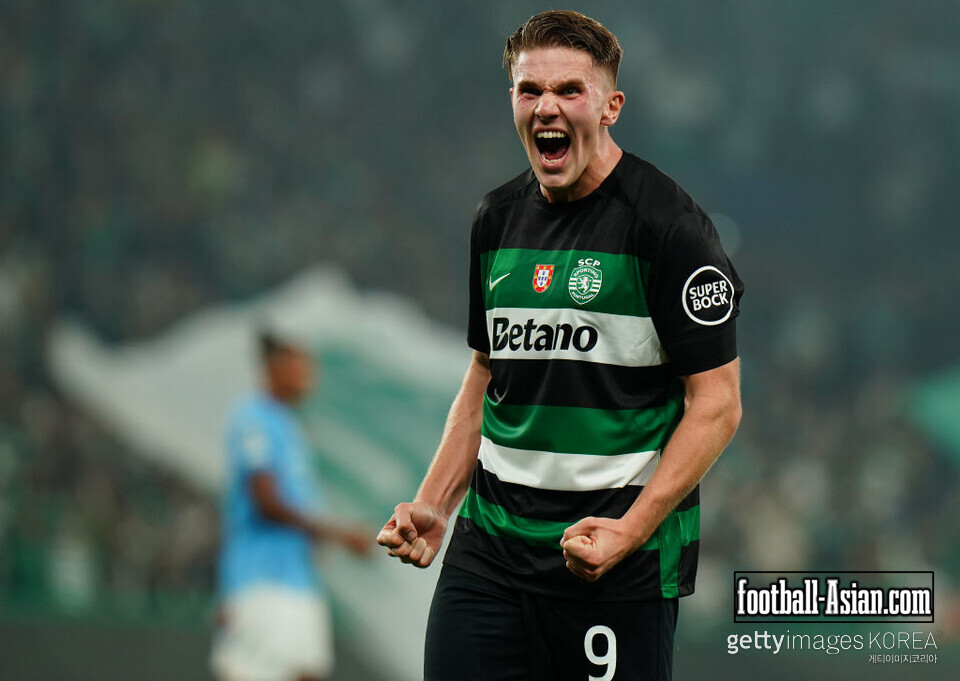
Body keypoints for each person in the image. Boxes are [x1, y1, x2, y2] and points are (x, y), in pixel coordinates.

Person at [377, 10, 743, 681]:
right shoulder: (495, 220)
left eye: (570, 89)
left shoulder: (670, 230)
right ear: (513, 101)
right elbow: (485, 379)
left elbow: (717, 404)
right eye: (530, 90)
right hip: (487, 557)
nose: (547, 105)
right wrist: (435, 501)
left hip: (611, 567)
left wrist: (629, 532)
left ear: (611, 106)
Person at [212, 331, 371, 681]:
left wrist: (318, 540)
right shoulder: (253, 418)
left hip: (298, 579)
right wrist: (338, 534)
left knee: (306, 673)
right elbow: (266, 502)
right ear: (276, 367)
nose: (308, 374)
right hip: (261, 579)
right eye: (300, 365)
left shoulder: (289, 424)